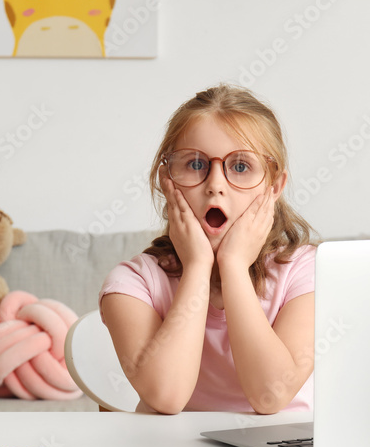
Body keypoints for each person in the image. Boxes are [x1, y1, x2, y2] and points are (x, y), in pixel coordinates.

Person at [99, 84, 317, 414]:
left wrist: (232, 266)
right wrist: (199, 265)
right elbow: (166, 397)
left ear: (274, 186)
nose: (215, 185)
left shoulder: (306, 272)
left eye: (241, 167)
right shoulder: (133, 284)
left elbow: (270, 396)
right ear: (166, 180)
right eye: (196, 165)